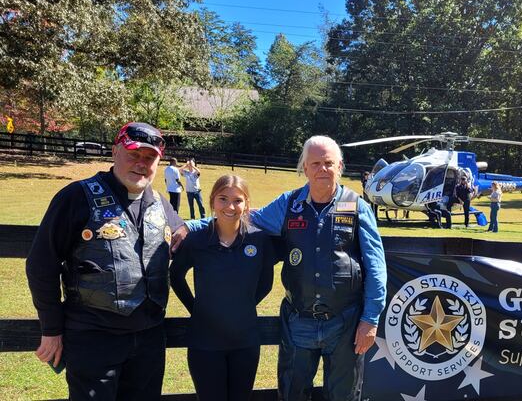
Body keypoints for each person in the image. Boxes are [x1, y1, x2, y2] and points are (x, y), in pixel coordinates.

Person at [175, 135, 386, 401]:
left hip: (345, 321)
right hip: (299, 320)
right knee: (292, 393)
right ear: (305, 168)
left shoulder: (357, 206)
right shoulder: (289, 204)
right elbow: (238, 216)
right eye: (316, 163)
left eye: (329, 163)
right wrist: (188, 226)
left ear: (340, 166)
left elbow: (376, 266)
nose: (323, 169)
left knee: (343, 395)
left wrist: (370, 319)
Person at [26, 122, 182, 400]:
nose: (141, 164)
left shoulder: (161, 203)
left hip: (149, 339)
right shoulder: (76, 197)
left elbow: (181, 230)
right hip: (93, 338)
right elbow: (42, 265)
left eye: (150, 158)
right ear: (114, 151)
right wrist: (51, 329)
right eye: (133, 154)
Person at [170, 175, 275, 401]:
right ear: (212, 201)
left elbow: (266, 284)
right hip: (204, 342)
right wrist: (197, 308)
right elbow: (176, 276)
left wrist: (242, 306)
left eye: (238, 200)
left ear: (247, 204)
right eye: (223, 199)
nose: (230, 206)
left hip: (245, 342)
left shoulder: (259, 240)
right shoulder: (196, 241)